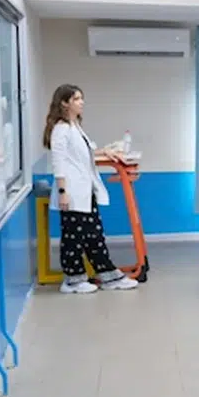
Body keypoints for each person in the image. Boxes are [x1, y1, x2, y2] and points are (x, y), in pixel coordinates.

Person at [43, 84, 139, 294]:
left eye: (81, 98)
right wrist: (63, 193)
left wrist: (105, 152)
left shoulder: (75, 126)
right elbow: (59, 163)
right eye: (77, 99)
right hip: (71, 192)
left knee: (93, 235)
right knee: (74, 237)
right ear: (64, 103)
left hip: (84, 191)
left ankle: (107, 276)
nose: (82, 102)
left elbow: (81, 155)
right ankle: (74, 281)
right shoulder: (61, 129)